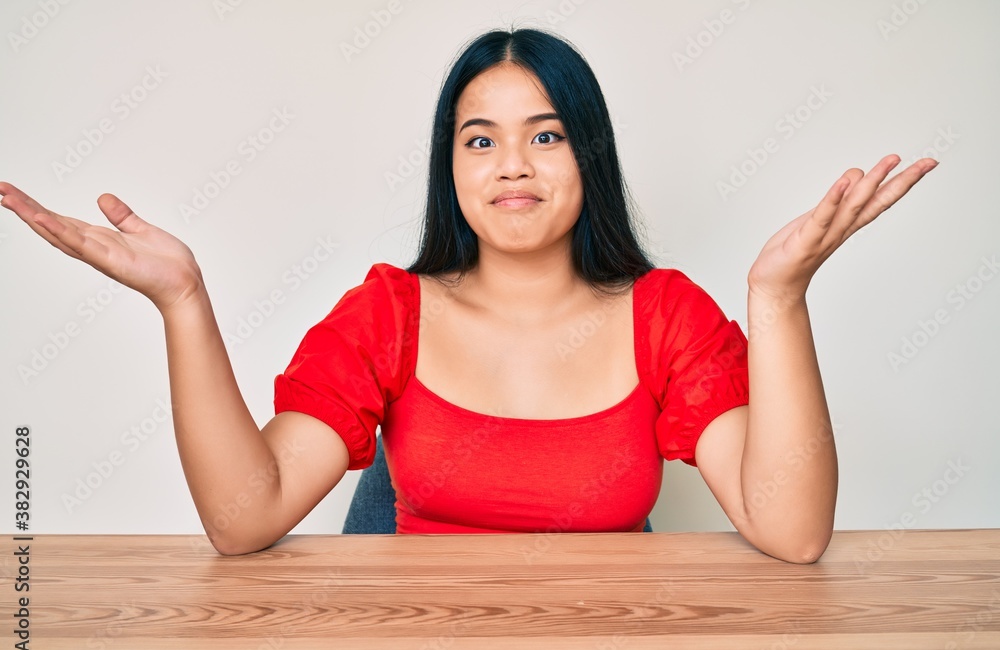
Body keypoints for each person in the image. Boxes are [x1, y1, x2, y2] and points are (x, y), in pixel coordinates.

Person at [0, 28, 936, 562]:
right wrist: (184, 303)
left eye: (548, 134)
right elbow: (247, 517)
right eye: (479, 139)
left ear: (590, 155)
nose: (513, 165)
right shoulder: (387, 312)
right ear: (450, 168)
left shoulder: (667, 316)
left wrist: (779, 301)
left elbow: (794, 531)